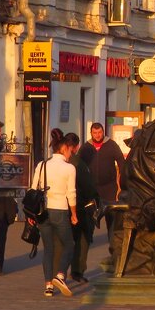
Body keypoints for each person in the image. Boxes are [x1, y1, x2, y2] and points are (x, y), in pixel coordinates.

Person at [32, 128, 79, 297]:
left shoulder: (42, 165)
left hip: (43, 211)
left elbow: (33, 189)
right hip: (60, 210)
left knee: (48, 248)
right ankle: (60, 275)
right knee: (69, 244)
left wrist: (32, 214)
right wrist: (74, 214)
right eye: (70, 150)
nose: (71, 154)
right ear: (64, 148)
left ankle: (48, 286)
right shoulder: (69, 168)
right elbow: (71, 193)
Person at [78, 123, 126, 274]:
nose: (97, 135)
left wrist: (121, 186)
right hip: (92, 192)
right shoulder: (86, 147)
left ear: (103, 132)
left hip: (110, 189)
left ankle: (115, 257)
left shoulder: (111, 145)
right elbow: (79, 167)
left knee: (112, 224)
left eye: (99, 133)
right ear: (91, 133)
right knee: (88, 225)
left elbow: (122, 164)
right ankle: (80, 264)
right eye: (94, 133)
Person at [68, 132, 98, 285]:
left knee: (63, 240)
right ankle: (77, 270)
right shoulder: (79, 164)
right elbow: (88, 187)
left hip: (60, 206)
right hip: (80, 206)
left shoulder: (55, 161)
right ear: (76, 147)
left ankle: (57, 272)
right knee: (82, 239)